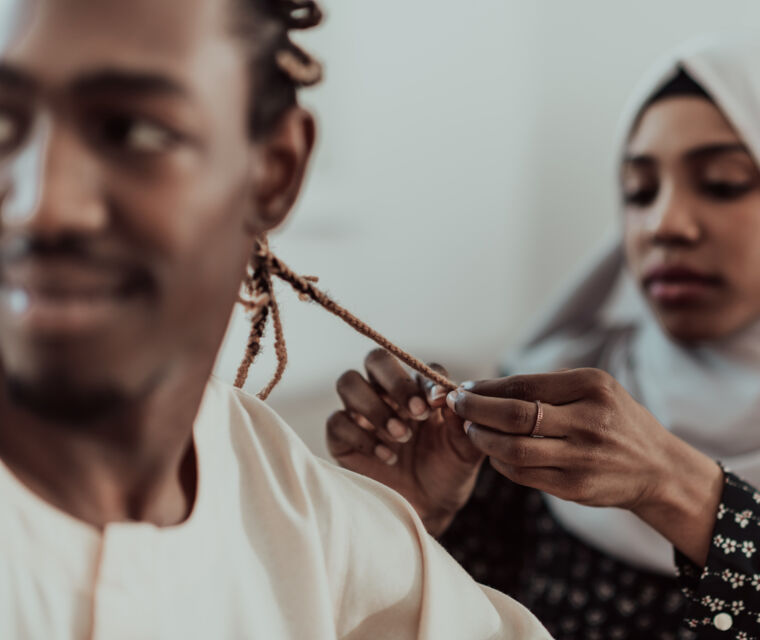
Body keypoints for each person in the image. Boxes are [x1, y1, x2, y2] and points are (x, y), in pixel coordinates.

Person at [328, 33, 760, 639]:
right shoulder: (551, 393)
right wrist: (410, 525)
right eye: (638, 190)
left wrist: (681, 489)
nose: (664, 224)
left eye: (723, 183)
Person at [0, 0, 552, 638]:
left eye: (134, 132)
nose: (43, 205)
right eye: (5, 126)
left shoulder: (310, 526)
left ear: (275, 170)